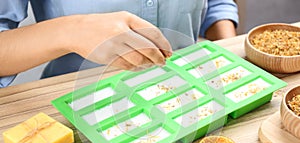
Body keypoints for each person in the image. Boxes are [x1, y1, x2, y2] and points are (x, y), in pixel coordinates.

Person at [0, 0, 238, 88]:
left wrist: (230, 57)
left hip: (191, 94)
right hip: (82, 109)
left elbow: (217, 3)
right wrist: (71, 31)